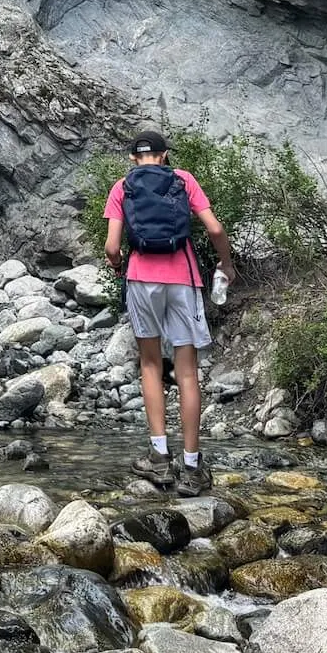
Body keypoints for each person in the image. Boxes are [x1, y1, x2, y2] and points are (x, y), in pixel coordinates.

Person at [104, 129, 237, 497]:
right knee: (187, 372)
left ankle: (160, 458)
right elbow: (215, 228)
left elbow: (112, 246)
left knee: (150, 364)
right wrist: (226, 264)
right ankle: (192, 468)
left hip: (141, 279)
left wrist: (118, 267)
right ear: (164, 156)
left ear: (134, 159)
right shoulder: (184, 180)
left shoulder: (122, 187)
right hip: (183, 280)